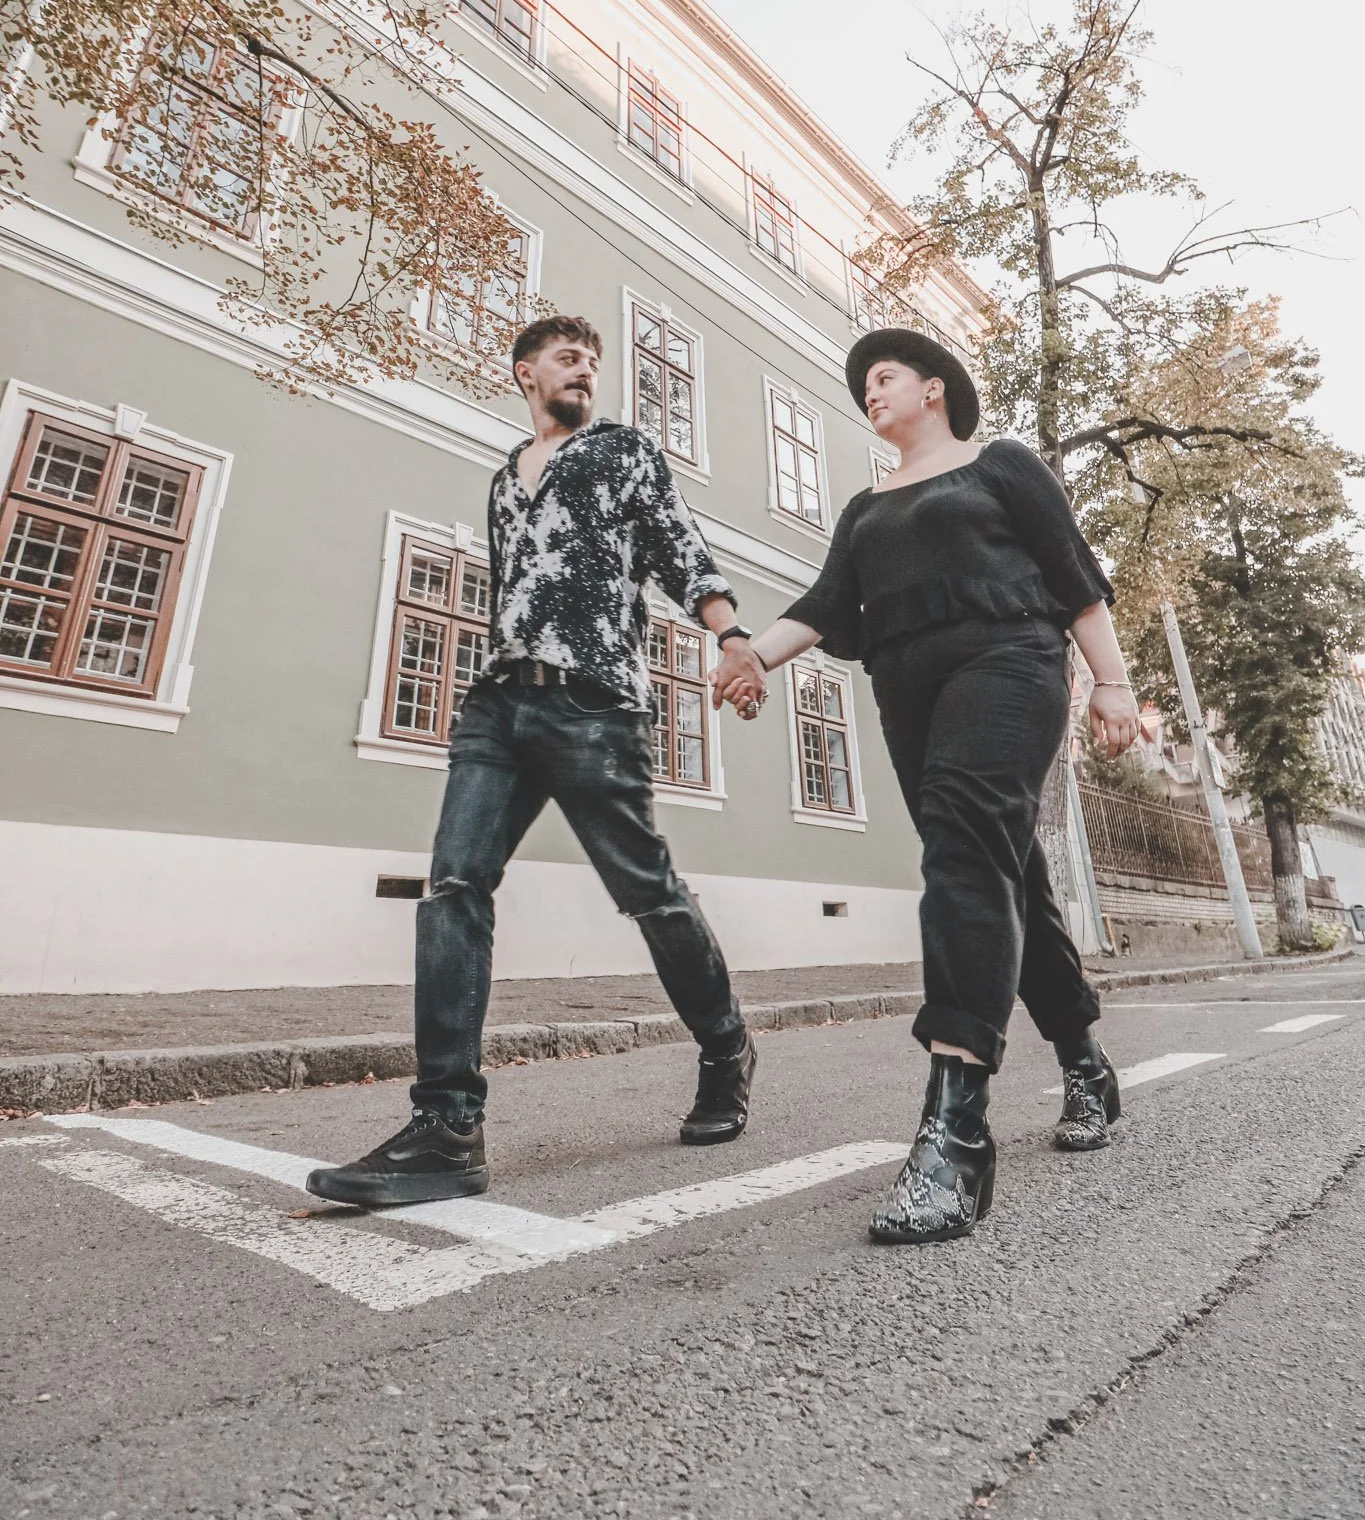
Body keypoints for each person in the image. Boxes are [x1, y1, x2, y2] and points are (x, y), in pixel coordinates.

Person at [309, 315, 760, 1207]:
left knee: (648, 893)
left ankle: (725, 1047)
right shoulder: (503, 475)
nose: (584, 370)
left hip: (593, 702)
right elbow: (509, 589)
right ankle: (447, 1126)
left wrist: (731, 636)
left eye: (592, 361)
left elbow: (679, 547)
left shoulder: (620, 451)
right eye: (566, 358)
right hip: (498, 702)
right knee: (453, 887)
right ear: (525, 373)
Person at [712, 328, 1141, 1246]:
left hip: (1009, 664)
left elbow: (1073, 576)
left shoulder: (1000, 464)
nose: (869, 392)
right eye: (863, 386)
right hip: (908, 694)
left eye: (883, 376)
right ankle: (1084, 1063)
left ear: (933, 387)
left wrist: (1112, 682)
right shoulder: (864, 507)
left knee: (960, 857)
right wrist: (751, 656)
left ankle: (955, 1132)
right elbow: (825, 606)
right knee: (1001, 875)